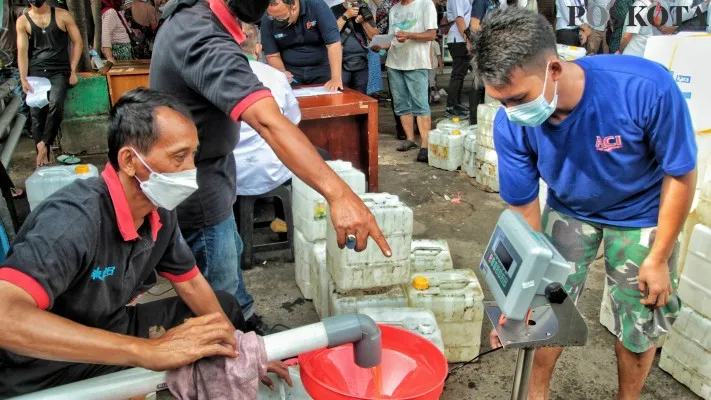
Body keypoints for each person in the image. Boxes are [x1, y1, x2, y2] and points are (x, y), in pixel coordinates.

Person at [0, 88, 291, 397]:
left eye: (193, 156)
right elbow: (6, 317)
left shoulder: (159, 211)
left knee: (224, 310)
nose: (191, 170)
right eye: (179, 157)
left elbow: (191, 283)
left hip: (111, 325)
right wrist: (146, 351)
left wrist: (243, 351)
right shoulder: (72, 221)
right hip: (44, 363)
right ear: (129, 160)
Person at [472, 9, 697, 399]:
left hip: (640, 214)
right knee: (544, 310)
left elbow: (679, 172)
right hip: (569, 209)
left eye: (519, 98)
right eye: (501, 101)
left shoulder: (642, 88)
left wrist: (658, 256)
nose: (511, 112)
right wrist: (529, 286)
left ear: (554, 69)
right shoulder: (512, 121)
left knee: (640, 319)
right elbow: (524, 205)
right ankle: (535, 393)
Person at [151, 0, 391, 334]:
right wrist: (340, 194)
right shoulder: (200, 34)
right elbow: (269, 122)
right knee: (216, 277)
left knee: (229, 253)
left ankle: (244, 319)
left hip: (216, 176)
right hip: (198, 186)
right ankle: (233, 349)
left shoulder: (202, 22)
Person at [233, 24, 297, 196]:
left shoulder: (214, 75)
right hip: (272, 172)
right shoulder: (275, 76)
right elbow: (293, 121)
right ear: (258, 49)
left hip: (229, 174)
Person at [16, 0, 82, 167]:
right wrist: (23, 78)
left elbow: (78, 42)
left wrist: (73, 69)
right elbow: (22, 51)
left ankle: (45, 144)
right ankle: (41, 152)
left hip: (59, 70)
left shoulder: (62, 14)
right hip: (36, 70)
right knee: (36, 111)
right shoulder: (23, 20)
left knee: (56, 103)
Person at [372, 0, 437, 163]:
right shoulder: (394, 9)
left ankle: (425, 145)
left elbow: (431, 34)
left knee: (420, 104)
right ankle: (410, 139)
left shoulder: (425, 4)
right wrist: (380, 46)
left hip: (416, 62)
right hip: (394, 63)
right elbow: (392, 40)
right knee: (401, 104)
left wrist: (409, 35)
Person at [261, 0, 344, 90]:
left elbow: (333, 43)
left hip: (321, 68)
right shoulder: (268, 19)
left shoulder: (317, 6)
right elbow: (272, 54)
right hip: (291, 71)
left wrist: (336, 78)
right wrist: (282, 73)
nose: (276, 20)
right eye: (272, 17)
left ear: (294, 7)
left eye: (280, 17)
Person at [331, 1, 379, 93]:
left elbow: (375, 36)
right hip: (340, 62)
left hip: (361, 60)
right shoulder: (334, 10)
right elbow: (330, 33)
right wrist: (346, 16)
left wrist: (363, 22)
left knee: (361, 98)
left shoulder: (364, 9)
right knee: (341, 96)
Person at [444, 0, 471, 118]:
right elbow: (459, 19)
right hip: (459, 39)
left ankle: (457, 104)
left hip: (462, 39)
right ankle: (451, 106)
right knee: (458, 74)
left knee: (461, 74)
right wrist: (467, 40)